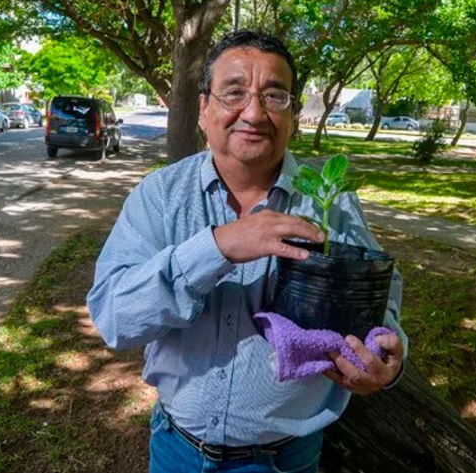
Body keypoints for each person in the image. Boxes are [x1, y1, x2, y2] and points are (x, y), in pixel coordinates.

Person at [87, 30, 408, 473]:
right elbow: (115, 320)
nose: (254, 113)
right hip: (175, 450)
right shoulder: (159, 195)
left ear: (293, 114)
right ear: (203, 109)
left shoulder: (330, 202)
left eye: (275, 96)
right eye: (234, 92)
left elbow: (380, 306)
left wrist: (387, 360)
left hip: (286, 460)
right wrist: (217, 246)